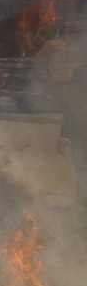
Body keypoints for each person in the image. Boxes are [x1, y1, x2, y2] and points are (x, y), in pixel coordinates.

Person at [57, 63, 87, 222]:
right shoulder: (81, 72)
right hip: (82, 139)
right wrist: (65, 137)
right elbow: (71, 107)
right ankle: (83, 218)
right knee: (83, 177)